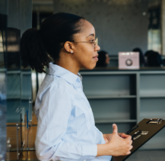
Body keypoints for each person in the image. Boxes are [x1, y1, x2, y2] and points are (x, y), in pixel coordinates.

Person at [20, 13, 132, 160]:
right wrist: (107, 149)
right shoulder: (59, 89)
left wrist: (102, 138)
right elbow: (47, 151)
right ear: (69, 46)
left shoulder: (69, 82)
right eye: (91, 40)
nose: (97, 47)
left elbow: (73, 134)